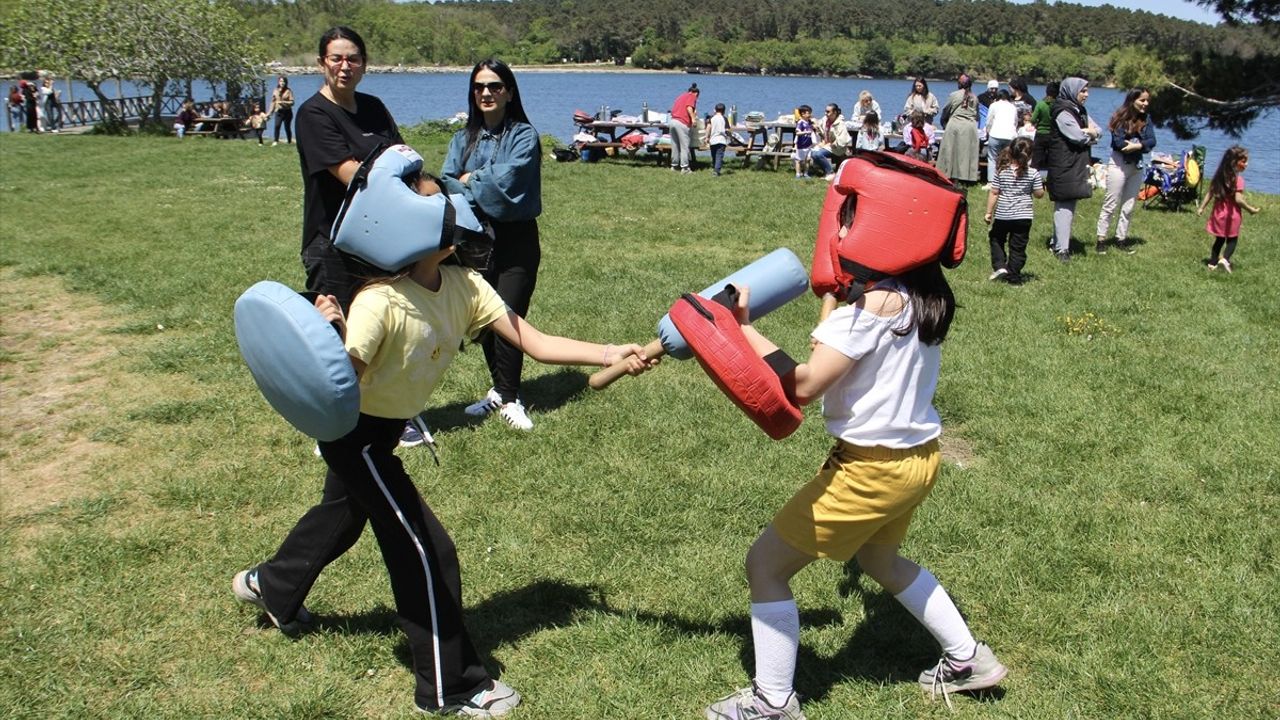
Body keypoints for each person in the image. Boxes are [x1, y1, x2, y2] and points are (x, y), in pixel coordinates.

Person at [234, 179, 657, 715]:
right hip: (357, 438)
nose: (447, 210)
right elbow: (341, 383)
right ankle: (450, 686)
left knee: (340, 519)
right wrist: (328, 331)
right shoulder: (379, 301)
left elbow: (535, 342)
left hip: (383, 432)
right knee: (427, 551)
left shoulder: (467, 286)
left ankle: (271, 587)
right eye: (430, 202)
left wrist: (607, 352)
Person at [703, 269, 1007, 720]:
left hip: (870, 470)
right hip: (917, 457)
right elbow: (835, 352)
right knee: (879, 561)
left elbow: (804, 384)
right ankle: (967, 659)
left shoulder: (868, 310)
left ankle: (772, 704)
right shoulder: (920, 295)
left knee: (765, 566)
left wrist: (743, 328)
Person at [445, 60, 545, 431]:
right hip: (475, 238)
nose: (486, 93)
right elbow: (446, 182)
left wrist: (470, 179)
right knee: (485, 318)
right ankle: (500, 392)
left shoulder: (523, 136)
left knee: (509, 312)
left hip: (517, 239)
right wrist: (474, 183)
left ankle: (511, 396)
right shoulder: (461, 139)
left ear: (510, 92)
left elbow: (513, 181)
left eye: (495, 86)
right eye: (479, 87)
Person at [1045, 77, 1100, 263]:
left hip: (1074, 164)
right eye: (1083, 91)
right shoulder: (1062, 111)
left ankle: (1057, 242)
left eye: (1087, 90)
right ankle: (1062, 250)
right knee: (1064, 205)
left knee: (1068, 205)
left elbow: (1098, 130)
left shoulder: (1079, 110)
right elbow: (1077, 136)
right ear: (1071, 90)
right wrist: (1089, 133)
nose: (1086, 95)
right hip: (1064, 164)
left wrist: (1091, 133)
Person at [1095, 88, 1156, 255]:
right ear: (1132, 100)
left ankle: (1120, 238)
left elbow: (1152, 140)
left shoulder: (1146, 119)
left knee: (1129, 205)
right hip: (1119, 163)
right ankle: (1101, 239)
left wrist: (1137, 146)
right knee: (1111, 203)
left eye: (1147, 101)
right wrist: (1141, 145)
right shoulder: (1120, 117)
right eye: (1142, 100)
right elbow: (1118, 143)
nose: (1145, 104)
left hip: (1136, 165)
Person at [984, 137, 1044, 285]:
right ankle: (1014, 276)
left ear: (1010, 152)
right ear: (1030, 155)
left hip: (1003, 214)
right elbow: (1039, 194)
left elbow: (994, 192)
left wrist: (989, 212)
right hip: (1023, 216)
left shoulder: (1001, 171)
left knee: (996, 238)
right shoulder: (1033, 173)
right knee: (1018, 246)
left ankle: (999, 266)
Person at [1198, 145, 1261, 273]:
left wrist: (1201, 207)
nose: (1247, 164)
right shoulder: (1238, 180)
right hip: (1232, 215)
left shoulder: (1219, 177)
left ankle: (1212, 263)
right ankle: (1225, 259)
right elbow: (1238, 199)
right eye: (1244, 161)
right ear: (1234, 162)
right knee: (1232, 239)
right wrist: (1250, 209)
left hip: (1219, 213)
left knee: (1219, 239)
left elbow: (1210, 193)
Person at [936, 74, 979, 183]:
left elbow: (946, 110)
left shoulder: (954, 95)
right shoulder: (974, 97)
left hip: (955, 125)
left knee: (950, 151)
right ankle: (965, 177)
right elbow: (977, 115)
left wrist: (943, 122)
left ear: (959, 84)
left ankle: (947, 174)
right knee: (965, 153)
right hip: (970, 126)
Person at [984, 89, 1018, 185]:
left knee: (992, 158)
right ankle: (1007, 180)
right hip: (1010, 135)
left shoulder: (994, 105)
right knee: (1008, 158)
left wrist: (988, 131)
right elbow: (1015, 122)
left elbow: (989, 121)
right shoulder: (1013, 107)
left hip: (995, 134)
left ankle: (991, 181)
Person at [811, 103, 852, 180]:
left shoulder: (840, 123)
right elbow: (819, 125)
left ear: (835, 112)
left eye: (828, 112)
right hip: (827, 145)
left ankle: (830, 173)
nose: (825, 113)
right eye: (825, 111)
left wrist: (831, 144)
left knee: (818, 154)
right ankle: (824, 171)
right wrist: (815, 124)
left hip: (837, 147)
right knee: (813, 153)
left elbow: (842, 139)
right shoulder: (825, 120)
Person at [668, 82, 700, 173]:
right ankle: (685, 168)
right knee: (684, 146)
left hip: (673, 121)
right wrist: (693, 119)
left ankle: (674, 166)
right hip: (682, 123)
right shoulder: (692, 96)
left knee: (675, 145)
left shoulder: (680, 96)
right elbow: (689, 108)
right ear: (696, 94)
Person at [1031, 81, 1058, 181]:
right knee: (1053, 159)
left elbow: (1033, 119)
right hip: (1053, 135)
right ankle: (1052, 180)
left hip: (1040, 134)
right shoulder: (1057, 105)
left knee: (1036, 161)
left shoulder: (1040, 104)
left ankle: (1033, 181)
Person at [270, 75, 295, 146]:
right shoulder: (275, 90)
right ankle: (275, 141)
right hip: (278, 111)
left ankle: (289, 141)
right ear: (278, 82)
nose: (282, 83)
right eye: (281, 81)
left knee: (287, 127)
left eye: (283, 81)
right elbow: (273, 102)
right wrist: (269, 113)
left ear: (286, 82)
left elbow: (292, 102)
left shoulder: (288, 91)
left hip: (287, 112)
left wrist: (283, 102)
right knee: (277, 126)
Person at [792, 104, 815, 179]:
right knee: (798, 160)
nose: (810, 115)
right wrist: (805, 132)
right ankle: (798, 173)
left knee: (807, 159)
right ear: (803, 114)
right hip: (801, 144)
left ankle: (806, 173)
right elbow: (797, 133)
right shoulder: (800, 122)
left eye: (810, 113)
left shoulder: (809, 122)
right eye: (808, 113)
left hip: (809, 144)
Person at [706, 103, 729, 177]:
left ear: (715, 110)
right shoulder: (724, 118)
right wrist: (730, 136)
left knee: (714, 155)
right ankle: (716, 170)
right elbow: (727, 130)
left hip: (713, 140)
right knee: (719, 155)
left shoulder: (711, 118)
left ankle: (715, 167)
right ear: (724, 111)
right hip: (722, 140)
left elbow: (708, 128)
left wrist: (707, 137)